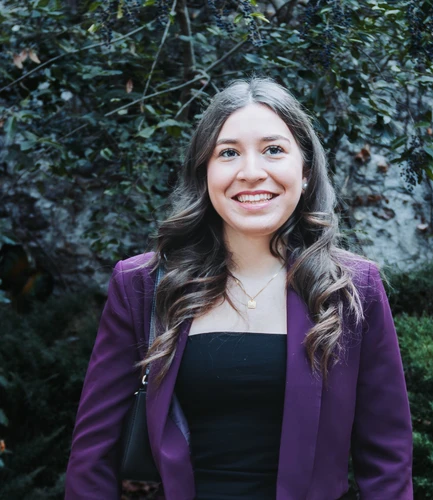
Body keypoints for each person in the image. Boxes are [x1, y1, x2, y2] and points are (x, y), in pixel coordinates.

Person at [65, 76, 413, 500]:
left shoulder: (352, 288)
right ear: (204, 172)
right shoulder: (142, 285)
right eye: (228, 153)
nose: (251, 173)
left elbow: (387, 461)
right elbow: (92, 457)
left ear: (305, 171)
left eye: (273, 150)